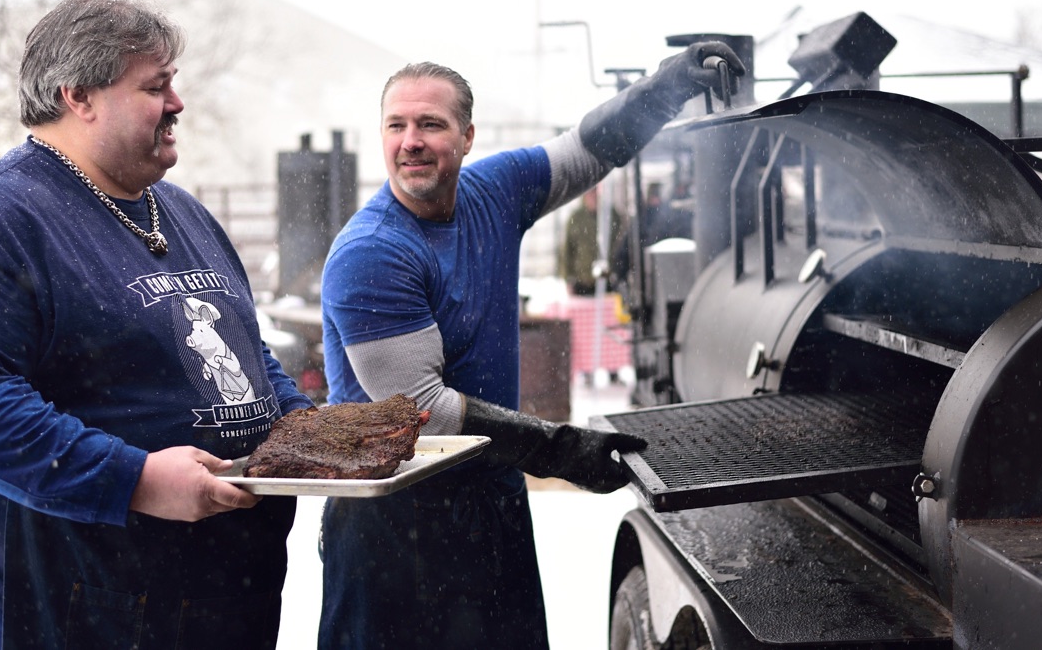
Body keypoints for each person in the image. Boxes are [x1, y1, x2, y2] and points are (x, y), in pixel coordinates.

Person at [0, 0, 315, 649]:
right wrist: (134, 480)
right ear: (78, 95)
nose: (177, 104)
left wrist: (299, 426)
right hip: (32, 609)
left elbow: (247, 352)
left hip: (200, 597)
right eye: (156, 86)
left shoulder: (184, 214)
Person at [318, 41, 744, 649]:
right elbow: (421, 411)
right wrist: (561, 449)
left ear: (467, 137)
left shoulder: (493, 194)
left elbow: (587, 149)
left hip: (490, 496)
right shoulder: (373, 253)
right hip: (396, 521)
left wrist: (665, 88)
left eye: (430, 124)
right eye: (396, 125)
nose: (410, 140)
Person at [560, 186, 622, 296]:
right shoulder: (576, 218)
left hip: (607, 280)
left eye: (594, 192)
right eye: (589, 193)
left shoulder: (611, 215)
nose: (592, 196)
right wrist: (567, 278)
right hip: (583, 281)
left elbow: (621, 245)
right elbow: (567, 252)